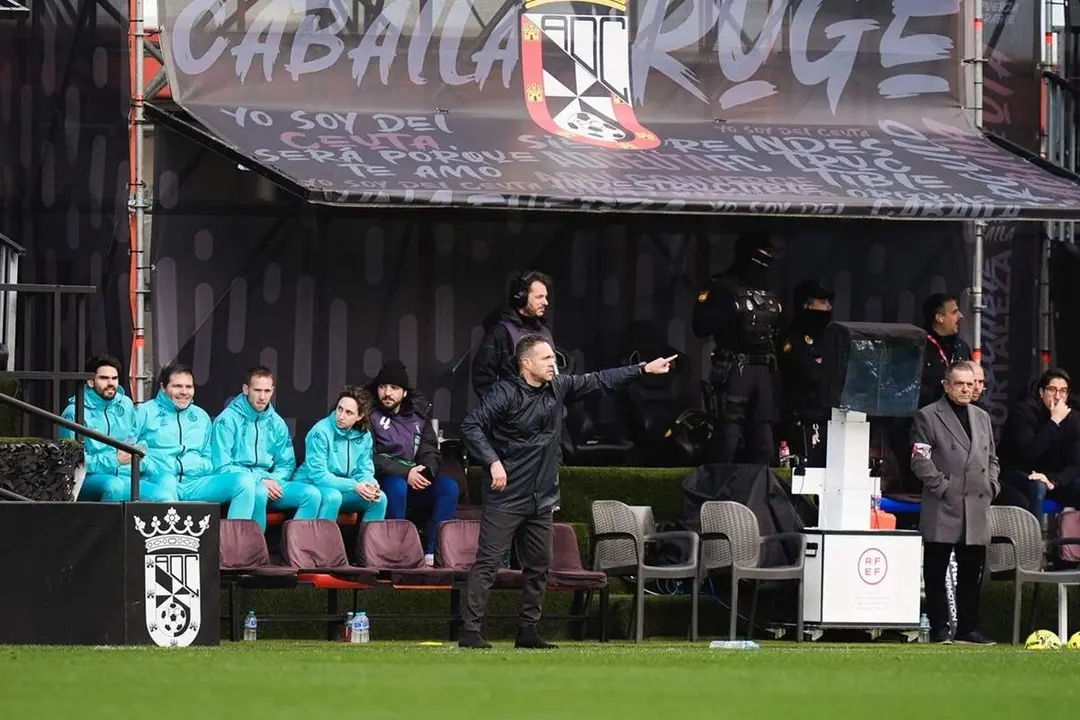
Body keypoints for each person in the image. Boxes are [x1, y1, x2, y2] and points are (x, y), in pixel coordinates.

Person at [458, 334, 677, 649]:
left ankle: (528, 630)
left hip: (542, 497)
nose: (553, 364)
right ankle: (470, 631)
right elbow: (471, 426)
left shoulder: (557, 387)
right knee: (488, 563)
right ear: (526, 362)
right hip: (507, 496)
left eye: (553, 358)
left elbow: (599, 381)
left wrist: (642, 369)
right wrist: (493, 462)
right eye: (546, 359)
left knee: (539, 565)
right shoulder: (505, 393)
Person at [910, 362, 999, 645]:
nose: (966, 389)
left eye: (970, 384)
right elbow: (919, 459)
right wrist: (942, 487)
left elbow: (992, 459)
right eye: (959, 384)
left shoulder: (982, 417)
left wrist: (992, 485)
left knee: (971, 572)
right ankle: (940, 628)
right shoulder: (927, 416)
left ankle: (968, 629)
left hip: (976, 504)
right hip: (943, 505)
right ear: (946, 386)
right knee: (935, 571)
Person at [692, 232, 782, 464]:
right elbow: (700, 326)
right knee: (728, 438)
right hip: (735, 368)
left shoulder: (766, 289)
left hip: (763, 371)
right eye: (763, 253)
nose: (767, 260)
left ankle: (757, 487)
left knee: (763, 442)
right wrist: (729, 309)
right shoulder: (722, 286)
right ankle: (719, 485)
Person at [212, 366, 336, 530]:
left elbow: (286, 464)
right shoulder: (226, 420)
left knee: (311, 495)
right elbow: (222, 466)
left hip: (271, 482)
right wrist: (260, 480)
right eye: (257, 390)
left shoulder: (277, 423)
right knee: (259, 492)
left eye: (267, 391)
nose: (262, 397)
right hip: (240, 483)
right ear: (246, 389)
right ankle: (252, 545)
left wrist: (273, 481)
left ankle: (296, 545)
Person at [133, 363, 260, 519]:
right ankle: (176, 534)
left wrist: (196, 466)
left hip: (195, 483)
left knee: (244, 482)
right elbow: (129, 452)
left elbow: (210, 457)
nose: (184, 392)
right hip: (160, 481)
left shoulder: (201, 416)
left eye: (189, 387)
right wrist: (153, 466)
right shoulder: (144, 412)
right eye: (177, 386)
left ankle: (235, 535)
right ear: (163, 387)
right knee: (168, 481)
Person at [368, 360, 458, 565]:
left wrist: (426, 470)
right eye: (382, 387)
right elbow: (369, 457)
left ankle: (433, 553)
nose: (387, 393)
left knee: (449, 488)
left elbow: (430, 451)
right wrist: (405, 473)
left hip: (414, 480)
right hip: (382, 480)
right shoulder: (369, 415)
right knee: (397, 486)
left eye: (394, 388)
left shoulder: (418, 417)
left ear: (404, 393)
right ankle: (397, 553)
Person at [59, 354, 173, 502]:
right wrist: (114, 460)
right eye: (104, 378)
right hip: (87, 479)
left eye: (114, 378)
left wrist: (138, 453)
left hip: (125, 476)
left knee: (164, 496)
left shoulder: (125, 404)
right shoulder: (74, 412)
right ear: (90, 381)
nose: (111, 383)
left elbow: (134, 439)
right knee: (114, 486)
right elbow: (70, 461)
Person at [294, 385, 387, 522]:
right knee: (333, 496)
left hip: (343, 489)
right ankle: (321, 536)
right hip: (313, 486)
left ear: (359, 416)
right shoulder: (320, 432)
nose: (341, 416)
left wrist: (371, 485)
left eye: (349, 412)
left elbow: (364, 470)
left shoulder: (364, 435)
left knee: (379, 499)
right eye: (340, 409)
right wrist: (354, 485)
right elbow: (319, 476)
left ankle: (369, 538)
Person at [998, 368, 1080, 522]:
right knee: (1037, 485)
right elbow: (1029, 452)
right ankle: (1034, 536)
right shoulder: (1023, 412)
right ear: (1041, 392)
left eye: (1063, 391)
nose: (1057, 396)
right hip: (1021, 473)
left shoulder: (1073, 418)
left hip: (1052, 478)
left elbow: (1076, 464)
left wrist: (1054, 482)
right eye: (1052, 390)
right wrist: (1054, 422)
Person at [472, 271, 556, 400]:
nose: (546, 302)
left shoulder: (545, 332)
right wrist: (508, 404)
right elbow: (482, 377)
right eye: (539, 297)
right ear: (521, 298)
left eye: (545, 297)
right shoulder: (500, 332)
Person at [778, 279, 834, 467]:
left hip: (829, 415)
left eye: (829, 302)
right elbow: (812, 373)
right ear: (807, 305)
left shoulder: (830, 336)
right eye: (823, 302)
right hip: (801, 418)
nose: (829, 307)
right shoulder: (792, 337)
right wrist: (823, 366)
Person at [919, 293, 972, 408]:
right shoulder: (919, 347)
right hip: (928, 412)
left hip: (960, 411)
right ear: (939, 318)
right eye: (954, 312)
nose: (961, 316)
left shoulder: (962, 347)